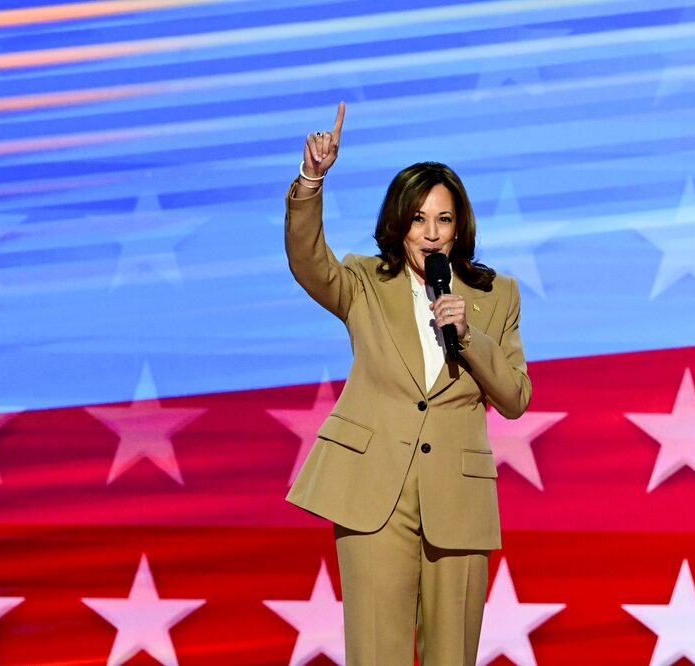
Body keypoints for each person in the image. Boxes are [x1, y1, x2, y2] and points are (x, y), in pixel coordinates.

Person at [284, 102, 531, 665]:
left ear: (459, 226)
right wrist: (311, 180)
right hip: (375, 495)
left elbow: (515, 397)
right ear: (399, 225)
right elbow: (306, 261)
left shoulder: (497, 296)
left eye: (443, 220)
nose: (432, 233)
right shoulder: (364, 282)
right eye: (419, 219)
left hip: (459, 499)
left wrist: (467, 336)